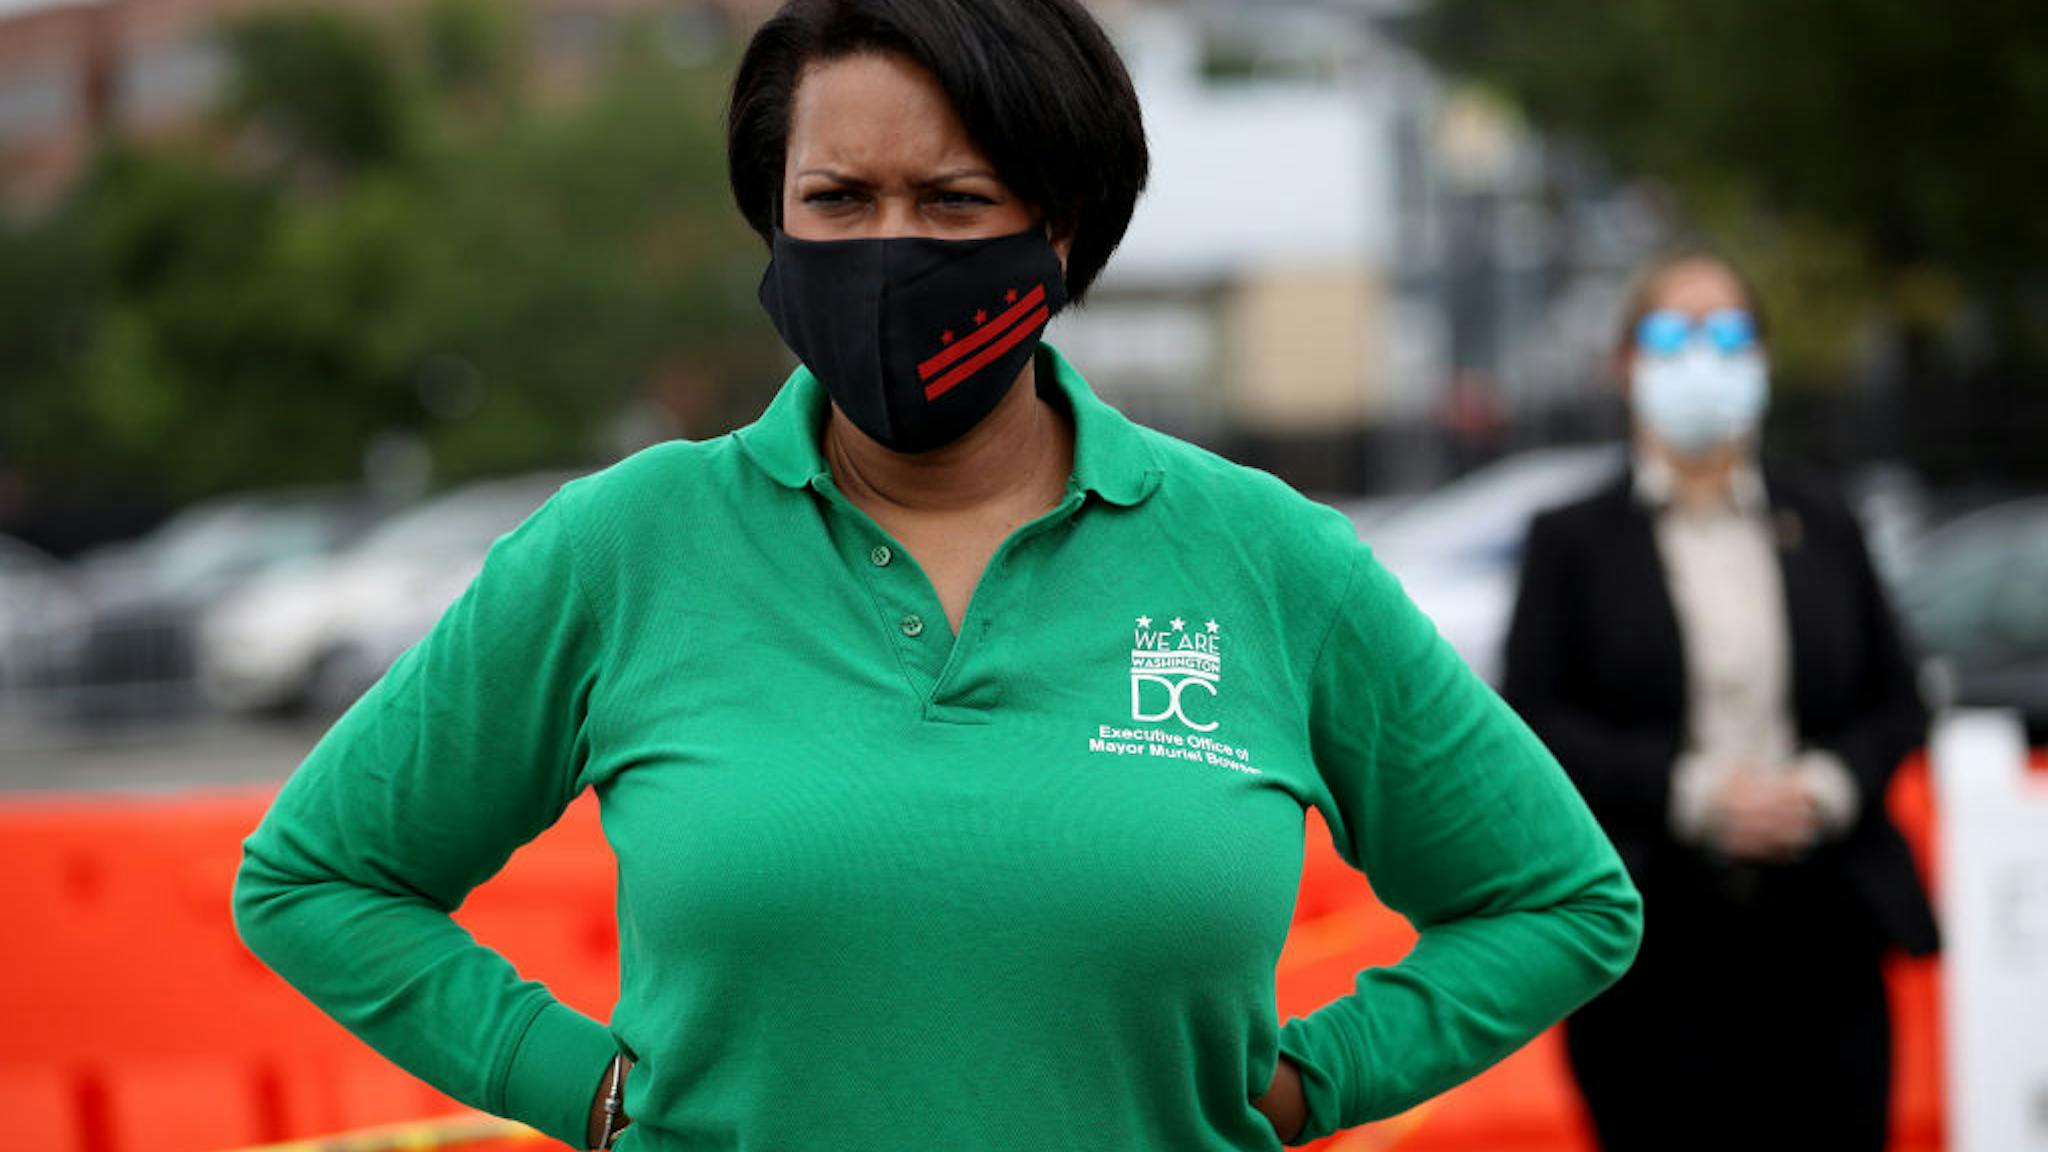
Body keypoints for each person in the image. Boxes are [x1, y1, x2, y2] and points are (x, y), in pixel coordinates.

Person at [232, 1, 1642, 1148]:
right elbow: (317, 877)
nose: (888, 251)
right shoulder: (626, 546)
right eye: (836, 199)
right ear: (771, 221)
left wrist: (1311, 1081)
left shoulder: (1265, 560)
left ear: (1064, 229)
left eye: (954, 200)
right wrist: (583, 1092)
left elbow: (1559, 900)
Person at [1503, 251, 1939, 1152]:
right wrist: (1691, 791)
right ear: (1626, 364)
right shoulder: (1571, 541)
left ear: (1763, 359)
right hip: (1654, 937)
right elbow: (1536, 721)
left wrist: (1825, 786)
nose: (1703, 355)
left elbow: (1899, 698)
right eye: (1672, 333)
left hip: (1825, 932)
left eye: (1729, 333)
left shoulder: (1826, 519)